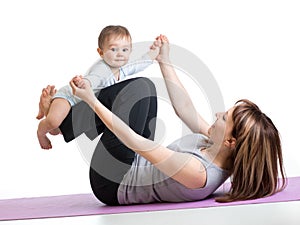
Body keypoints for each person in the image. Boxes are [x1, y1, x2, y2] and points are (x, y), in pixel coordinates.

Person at [42, 35, 286, 205]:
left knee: (141, 89)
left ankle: (62, 120)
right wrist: (164, 61)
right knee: (144, 93)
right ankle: (63, 121)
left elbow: (137, 142)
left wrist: (91, 100)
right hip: (129, 162)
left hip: (112, 182)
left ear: (231, 141)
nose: (217, 115)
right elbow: (185, 109)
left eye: (225, 118)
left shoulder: (199, 173)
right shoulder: (216, 145)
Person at [36, 25, 160, 149]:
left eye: (125, 50)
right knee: (53, 122)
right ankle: (41, 133)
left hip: (81, 104)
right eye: (113, 49)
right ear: (101, 52)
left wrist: (155, 51)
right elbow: (92, 79)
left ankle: (47, 109)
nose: (120, 54)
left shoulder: (121, 69)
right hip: (69, 97)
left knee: (58, 130)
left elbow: (139, 64)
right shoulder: (103, 68)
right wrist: (82, 82)